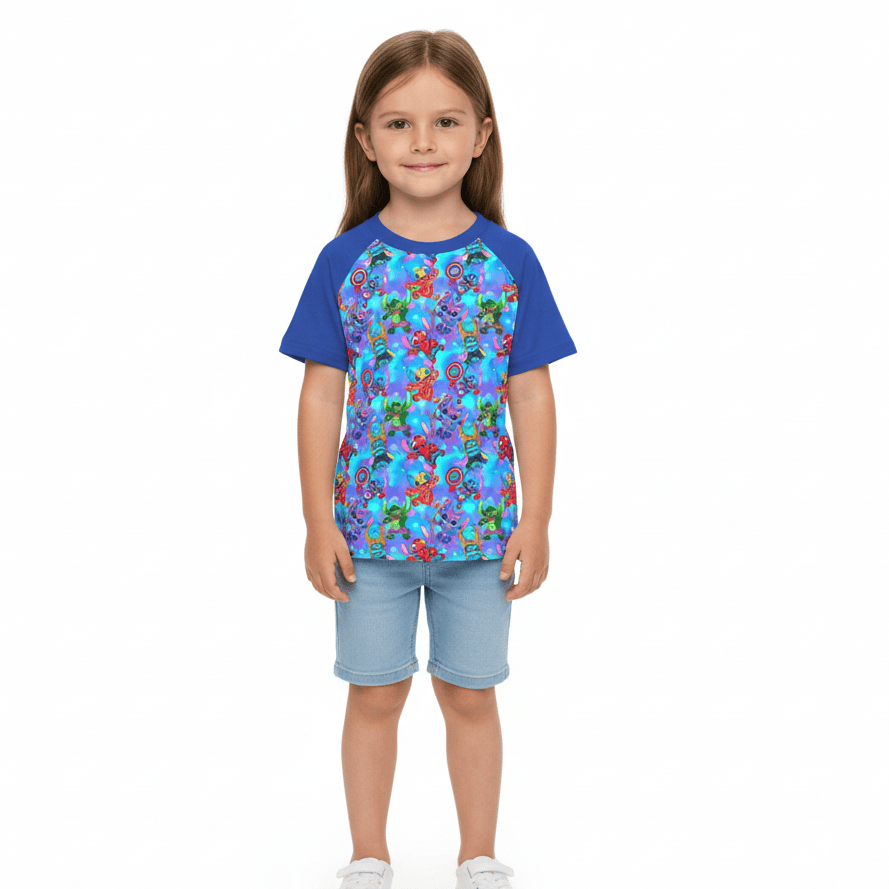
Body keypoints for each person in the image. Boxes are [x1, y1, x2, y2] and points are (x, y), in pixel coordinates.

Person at [278, 29, 577, 889]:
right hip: (368, 536)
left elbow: (531, 395)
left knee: (470, 693)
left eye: (444, 121)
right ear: (365, 139)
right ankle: (368, 853)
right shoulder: (346, 262)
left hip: (479, 535)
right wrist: (317, 521)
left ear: (481, 135)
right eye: (397, 122)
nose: (421, 141)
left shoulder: (509, 262)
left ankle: (477, 853)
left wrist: (536, 517)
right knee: (374, 693)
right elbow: (320, 396)